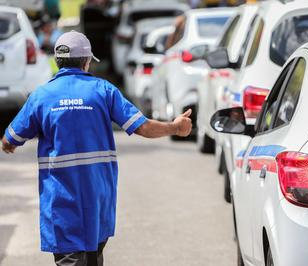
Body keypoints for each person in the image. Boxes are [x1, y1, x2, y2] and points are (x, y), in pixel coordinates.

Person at [1, 31, 192, 266]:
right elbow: (143, 127)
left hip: (61, 204)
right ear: (86, 61)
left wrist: (8, 145)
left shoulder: (41, 97)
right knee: (94, 257)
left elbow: (10, 138)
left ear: (57, 61)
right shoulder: (104, 91)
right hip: (98, 201)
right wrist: (175, 127)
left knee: (70, 260)